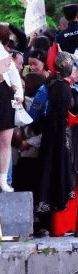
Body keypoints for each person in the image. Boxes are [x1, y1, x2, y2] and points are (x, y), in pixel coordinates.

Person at [36, 52, 78, 236]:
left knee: (50, 176)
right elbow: (67, 118)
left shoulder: (53, 85)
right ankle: (57, 226)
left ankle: (49, 224)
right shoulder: (63, 89)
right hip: (60, 139)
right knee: (59, 177)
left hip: (52, 137)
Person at [0, 45, 20, 192]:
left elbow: (17, 86)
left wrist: (18, 97)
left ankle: (4, 179)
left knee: (6, 141)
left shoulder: (7, 60)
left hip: (6, 98)